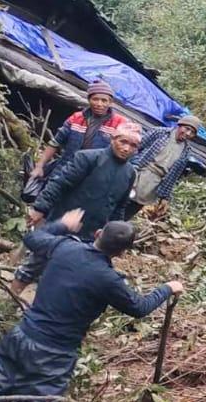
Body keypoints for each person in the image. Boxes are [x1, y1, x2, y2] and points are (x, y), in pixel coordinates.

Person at [0, 210, 183, 402]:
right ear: (122, 253)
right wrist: (168, 288)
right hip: (53, 353)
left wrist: (62, 224)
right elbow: (139, 307)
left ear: (97, 233)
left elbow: (32, 239)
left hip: (20, 336)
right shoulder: (108, 280)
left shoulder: (65, 246)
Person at [11, 126, 142, 295]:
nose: (126, 148)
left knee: (66, 274)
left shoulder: (129, 173)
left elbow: (119, 206)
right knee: (36, 263)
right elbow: (59, 183)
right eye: (123, 141)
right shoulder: (88, 158)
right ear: (112, 139)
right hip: (63, 223)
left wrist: (115, 237)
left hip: (91, 234)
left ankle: (42, 307)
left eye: (133, 145)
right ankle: (9, 303)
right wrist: (40, 208)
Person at [26, 79, 132, 186]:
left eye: (104, 100)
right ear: (89, 99)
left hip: (94, 177)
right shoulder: (76, 118)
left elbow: (129, 151)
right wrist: (39, 166)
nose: (99, 104)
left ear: (110, 102)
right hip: (65, 170)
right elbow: (55, 143)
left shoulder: (121, 124)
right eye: (95, 99)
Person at [123, 114, 203, 220]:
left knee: (130, 211)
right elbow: (137, 147)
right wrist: (131, 166)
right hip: (139, 172)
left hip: (154, 184)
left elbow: (173, 176)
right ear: (179, 125)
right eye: (187, 128)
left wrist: (164, 197)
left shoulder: (186, 151)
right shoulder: (160, 132)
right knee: (119, 202)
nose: (188, 133)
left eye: (192, 132)